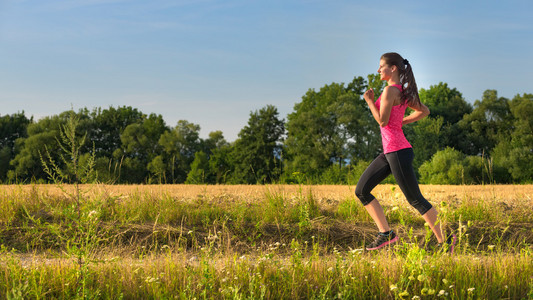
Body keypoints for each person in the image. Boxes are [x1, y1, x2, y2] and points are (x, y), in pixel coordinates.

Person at [355, 52, 456, 252]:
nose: (378, 70)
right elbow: (424, 111)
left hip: (397, 151)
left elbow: (383, 121)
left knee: (415, 199)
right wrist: (402, 121)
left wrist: (369, 102)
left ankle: (445, 242)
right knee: (362, 190)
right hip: (391, 151)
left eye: (381, 66)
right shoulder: (401, 91)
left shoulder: (390, 91)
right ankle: (386, 234)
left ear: (393, 68)